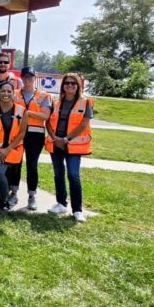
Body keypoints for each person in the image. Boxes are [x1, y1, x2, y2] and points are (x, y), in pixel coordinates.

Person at [45, 73, 92, 222]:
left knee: (73, 175)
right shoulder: (56, 101)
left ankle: (77, 210)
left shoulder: (85, 102)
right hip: (56, 143)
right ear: (63, 85)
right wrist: (55, 138)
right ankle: (61, 203)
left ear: (78, 86)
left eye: (73, 83)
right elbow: (48, 122)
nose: (70, 86)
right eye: (67, 83)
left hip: (73, 145)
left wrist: (66, 139)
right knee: (58, 174)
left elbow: (84, 123)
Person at [0, 81, 27, 212]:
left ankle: (4, 200)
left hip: (11, 150)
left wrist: (6, 150)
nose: (5, 94)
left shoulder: (22, 111)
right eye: (3, 91)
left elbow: (22, 133)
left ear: (13, 93)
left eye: (9, 91)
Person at [13, 67, 52, 210]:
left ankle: (32, 196)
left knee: (32, 165)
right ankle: (14, 192)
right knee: (15, 163)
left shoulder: (44, 95)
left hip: (35, 135)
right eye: (25, 76)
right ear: (21, 78)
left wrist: (26, 112)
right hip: (17, 133)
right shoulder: (15, 94)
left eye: (30, 76)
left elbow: (45, 116)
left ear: (35, 78)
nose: (27, 79)